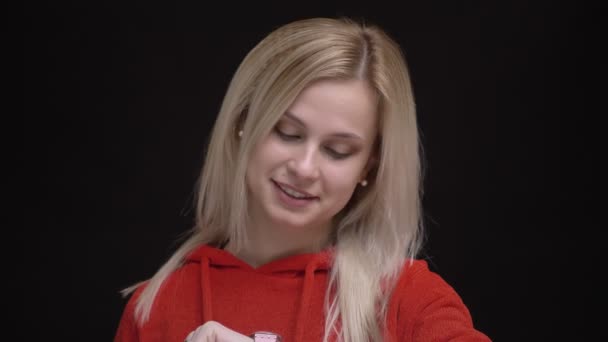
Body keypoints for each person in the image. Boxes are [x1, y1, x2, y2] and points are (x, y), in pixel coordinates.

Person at [114, 17, 491, 342]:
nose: (305, 167)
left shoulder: (407, 298)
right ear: (243, 123)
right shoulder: (156, 306)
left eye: (338, 151)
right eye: (287, 133)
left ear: (368, 167)